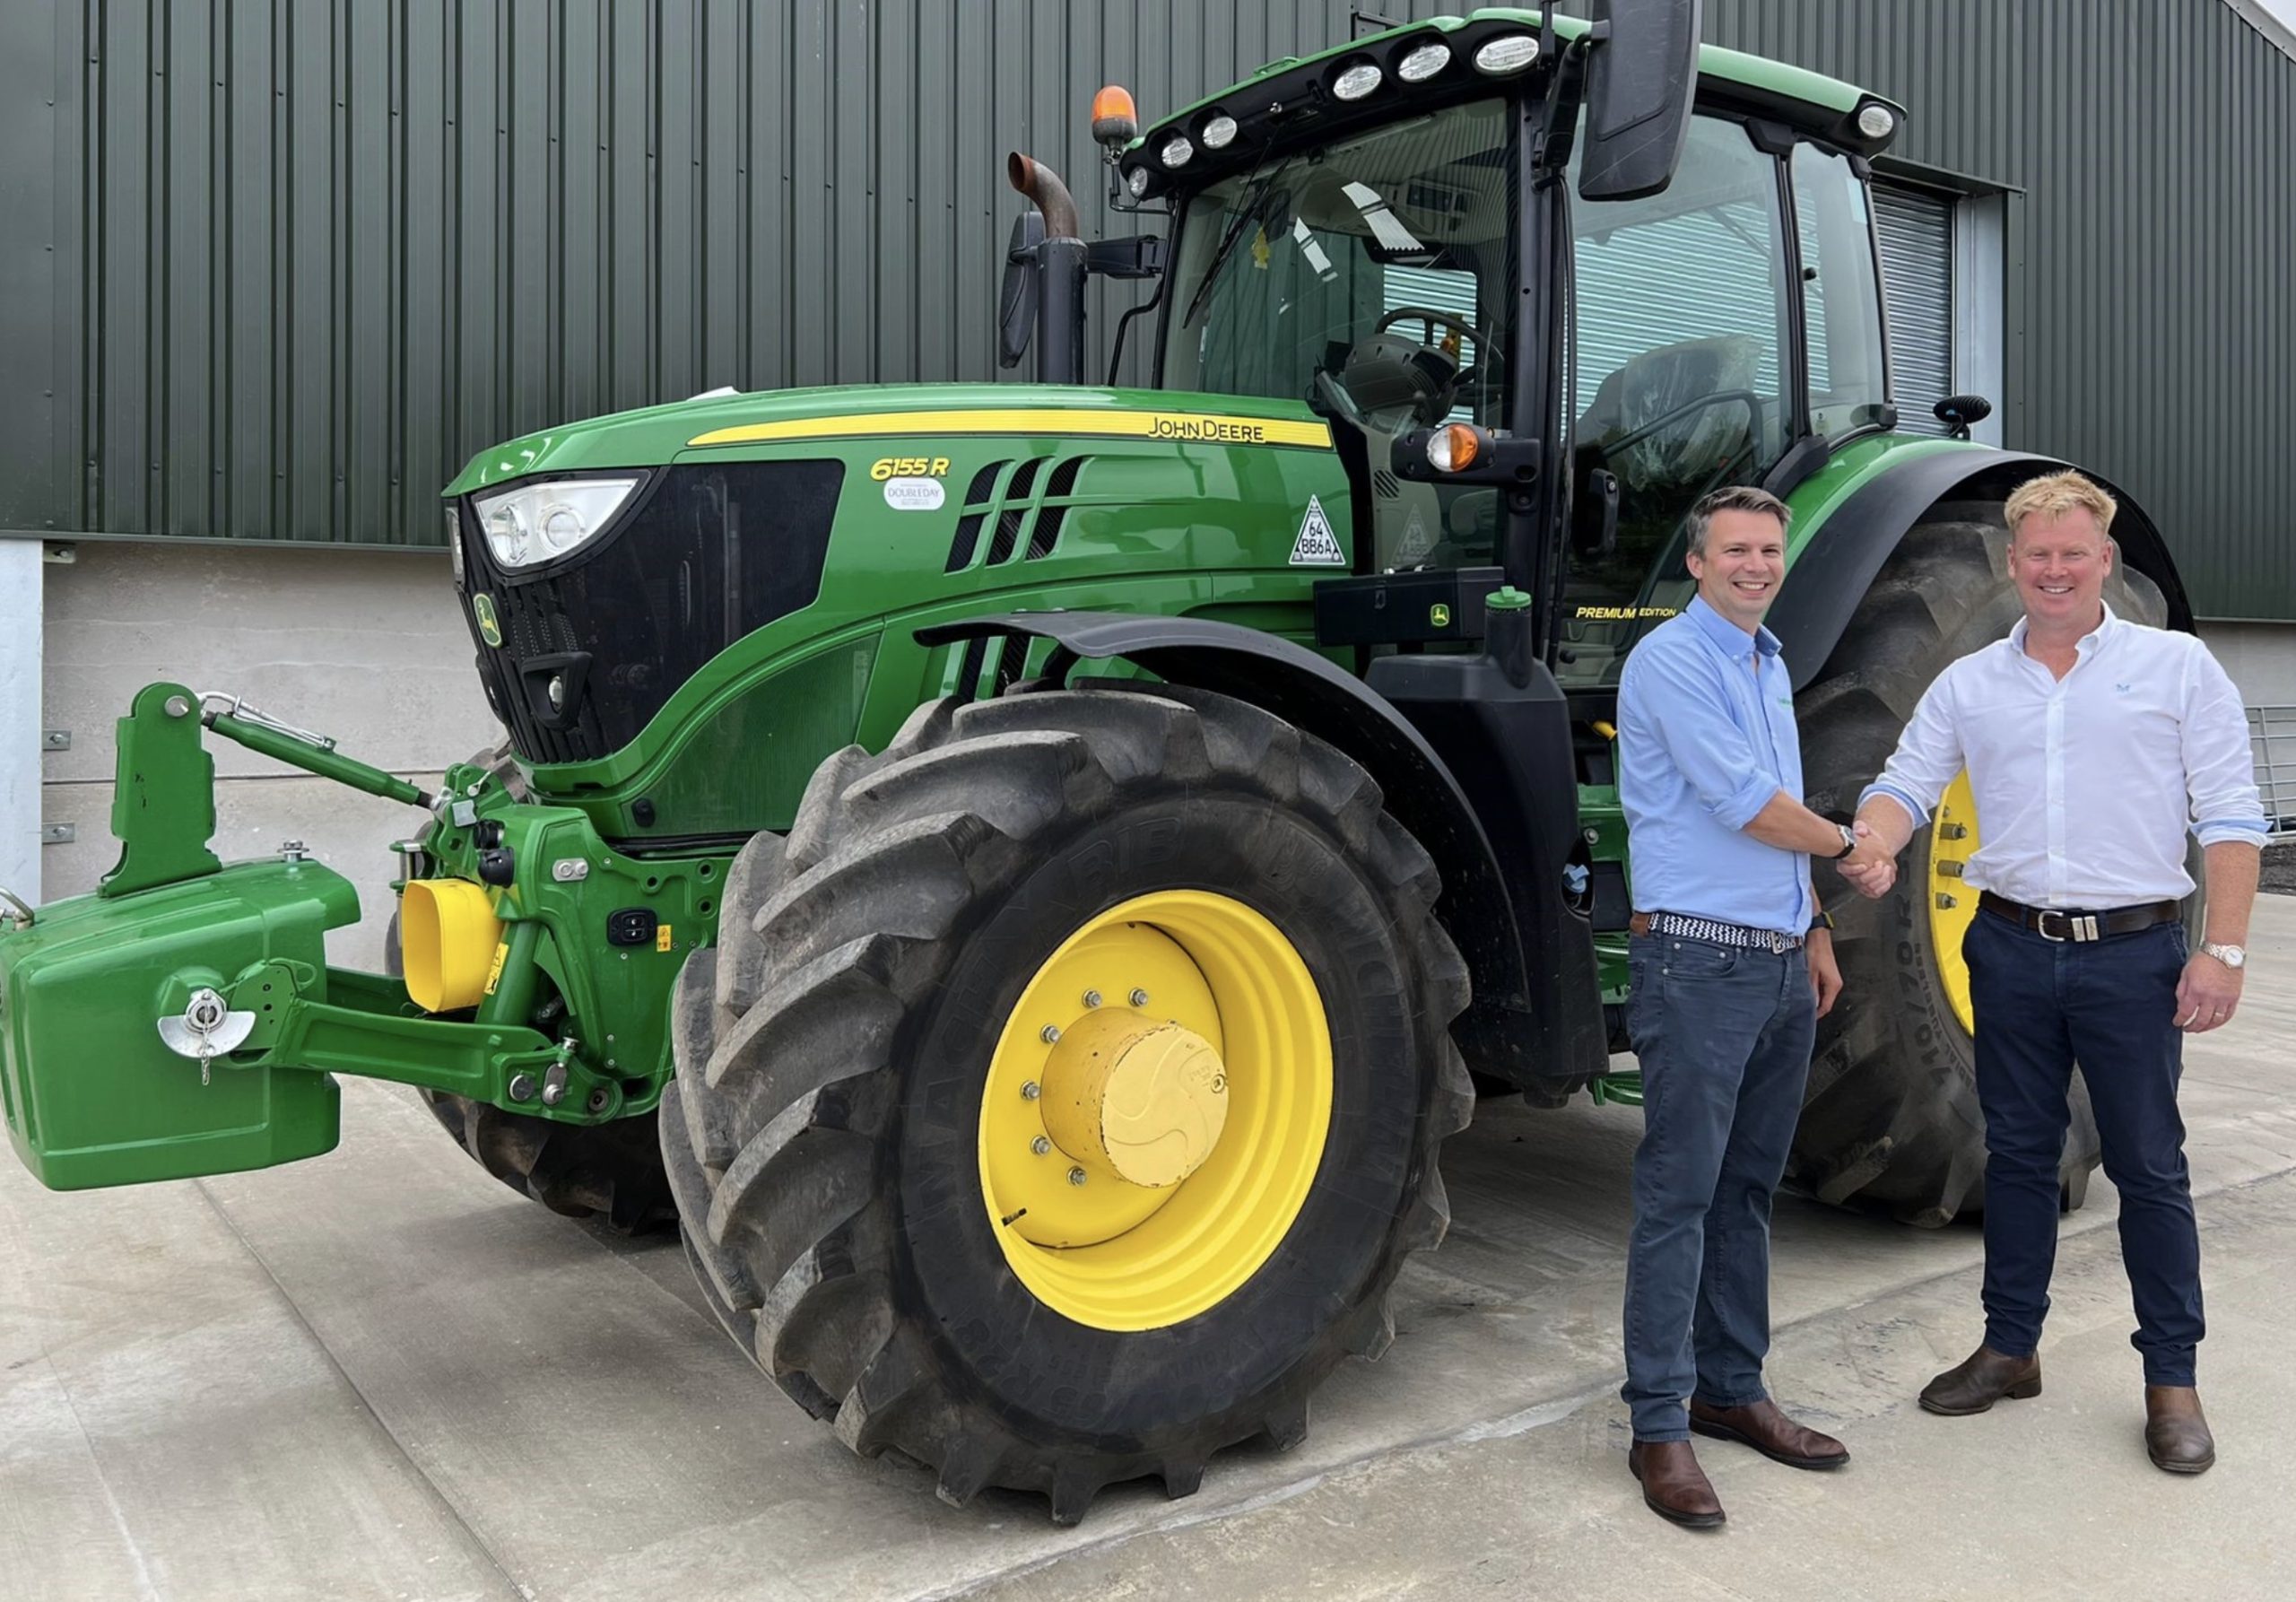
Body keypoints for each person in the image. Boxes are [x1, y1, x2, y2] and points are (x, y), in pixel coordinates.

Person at [1842, 469, 2265, 1475]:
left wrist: (2224, 949)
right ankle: (2009, 1347)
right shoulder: (1970, 682)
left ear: (2102, 559)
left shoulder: (2174, 669)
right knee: (2019, 1157)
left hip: (2134, 954)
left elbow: (2232, 817)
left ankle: (2171, 1381)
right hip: (2008, 948)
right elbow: (1905, 780)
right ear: (2014, 563)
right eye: (2036, 555)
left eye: (2072, 553)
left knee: (2150, 1167)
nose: (2053, 570)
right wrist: (1874, 836)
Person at [1613, 484, 1891, 1528]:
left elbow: (1770, 811)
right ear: (1696, 563)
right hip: (1696, 962)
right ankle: (1657, 1426)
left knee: (1744, 1192)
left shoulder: (1768, 663)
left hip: (1775, 963)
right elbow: (1745, 804)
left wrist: (1814, 924)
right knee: (1679, 1194)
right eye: (1734, 550)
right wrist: (1849, 847)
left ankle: (1731, 1388)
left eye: (1768, 550)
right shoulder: (1673, 660)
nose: (1755, 565)